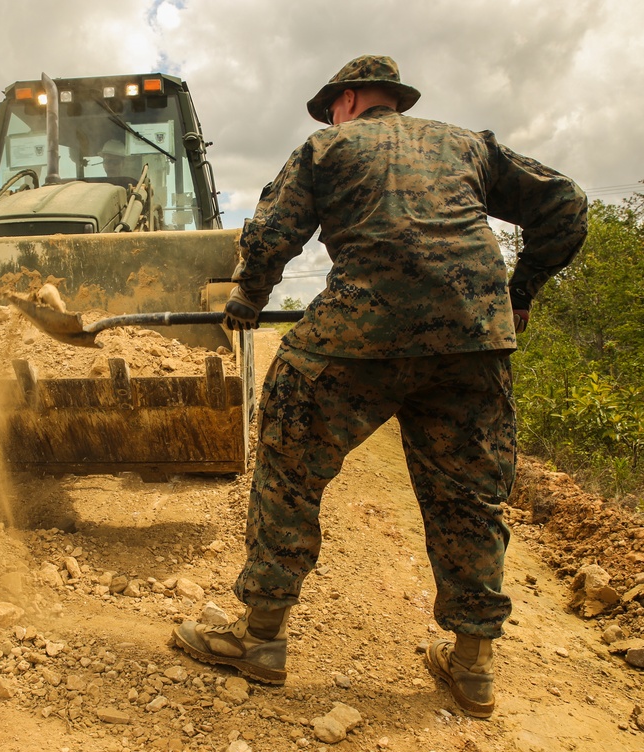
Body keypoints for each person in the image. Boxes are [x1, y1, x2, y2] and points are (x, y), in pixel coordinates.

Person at [171, 55, 587, 719]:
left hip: (363, 330)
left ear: (351, 98)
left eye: (329, 107)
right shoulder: (468, 146)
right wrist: (520, 293)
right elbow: (566, 205)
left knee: (288, 458)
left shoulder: (328, 146)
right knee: (469, 495)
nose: (329, 117)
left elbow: (275, 231)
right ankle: (473, 665)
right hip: (472, 339)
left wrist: (249, 299)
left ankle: (259, 640)